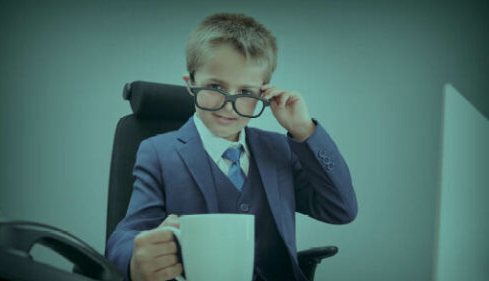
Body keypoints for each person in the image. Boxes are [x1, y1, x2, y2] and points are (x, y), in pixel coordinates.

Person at [105, 13, 358, 281]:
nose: (228, 105)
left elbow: (340, 209)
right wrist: (134, 258)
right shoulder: (158, 152)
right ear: (190, 85)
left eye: (247, 93)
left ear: (264, 93)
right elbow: (126, 235)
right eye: (215, 86)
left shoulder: (281, 149)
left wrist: (304, 131)